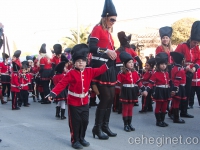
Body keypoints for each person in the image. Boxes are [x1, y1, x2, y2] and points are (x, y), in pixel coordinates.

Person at [48, 44, 113, 149]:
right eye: (78, 61)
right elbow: (61, 84)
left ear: (86, 62)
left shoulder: (89, 71)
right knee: (75, 123)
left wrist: (110, 62)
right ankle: (75, 140)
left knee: (85, 121)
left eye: (82, 61)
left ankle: (82, 138)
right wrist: (53, 93)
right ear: (74, 63)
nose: (80, 63)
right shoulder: (71, 73)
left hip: (84, 102)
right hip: (74, 102)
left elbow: (101, 69)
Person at [89, 0, 118, 140]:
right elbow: (91, 47)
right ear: (105, 17)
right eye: (112, 19)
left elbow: (109, 50)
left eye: (115, 20)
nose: (113, 22)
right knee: (105, 98)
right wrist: (106, 50)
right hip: (99, 68)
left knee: (111, 98)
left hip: (109, 69)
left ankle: (105, 126)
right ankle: (97, 127)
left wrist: (113, 52)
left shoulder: (108, 33)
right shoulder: (97, 29)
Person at [175, 21, 200, 118]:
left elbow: (198, 60)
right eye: (194, 42)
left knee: (187, 92)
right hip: (181, 72)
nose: (196, 44)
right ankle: (175, 111)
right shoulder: (182, 46)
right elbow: (176, 59)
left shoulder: (197, 48)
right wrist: (186, 67)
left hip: (190, 73)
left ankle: (184, 111)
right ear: (190, 40)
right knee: (179, 91)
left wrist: (195, 67)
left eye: (197, 43)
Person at [117, 52, 147, 132]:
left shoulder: (135, 73)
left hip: (133, 91)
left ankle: (130, 123)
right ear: (125, 64)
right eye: (129, 62)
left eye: (132, 62)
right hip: (125, 91)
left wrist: (143, 90)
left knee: (130, 108)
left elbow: (138, 82)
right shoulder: (121, 73)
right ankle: (125, 124)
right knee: (125, 108)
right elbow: (118, 83)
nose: (131, 64)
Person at [114, 31, 143, 113]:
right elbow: (139, 61)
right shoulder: (130, 49)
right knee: (128, 87)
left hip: (118, 70)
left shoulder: (117, 50)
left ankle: (117, 107)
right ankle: (126, 104)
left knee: (119, 89)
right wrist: (140, 71)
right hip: (125, 70)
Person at [147, 52, 171, 127]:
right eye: (162, 64)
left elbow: (169, 82)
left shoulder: (167, 73)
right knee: (158, 106)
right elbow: (150, 83)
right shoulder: (155, 74)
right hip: (159, 91)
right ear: (158, 65)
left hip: (166, 91)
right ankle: (158, 121)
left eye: (165, 64)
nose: (163, 66)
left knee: (164, 106)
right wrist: (146, 90)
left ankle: (162, 120)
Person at [170, 52, 186, 123]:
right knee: (177, 103)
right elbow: (177, 80)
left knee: (174, 102)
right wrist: (175, 90)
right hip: (178, 87)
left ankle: (171, 113)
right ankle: (176, 118)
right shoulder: (180, 69)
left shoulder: (175, 67)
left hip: (176, 86)